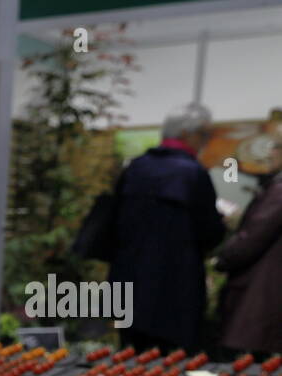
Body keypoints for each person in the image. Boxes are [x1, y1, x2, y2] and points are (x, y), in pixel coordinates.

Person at [108, 103, 225, 353]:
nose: (204, 142)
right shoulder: (193, 173)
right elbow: (210, 232)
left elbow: (113, 223)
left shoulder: (136, 167)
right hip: (176, 288)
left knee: (130, 358)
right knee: (175, 365)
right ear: (187, 134)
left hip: (130, 282)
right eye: (203, 135)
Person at [216, 136, 282, 354]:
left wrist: (221, 258)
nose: (271, 153)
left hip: (260, 297)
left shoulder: (279, 192)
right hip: (267, 295)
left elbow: (252, 239)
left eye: (276, 148)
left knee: (246, 372)